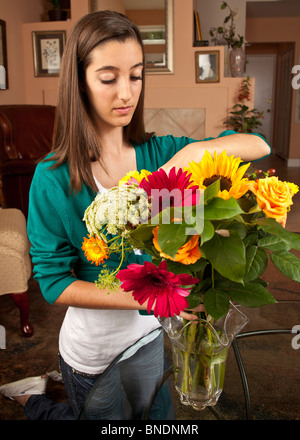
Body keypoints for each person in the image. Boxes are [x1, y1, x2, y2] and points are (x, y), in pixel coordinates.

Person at [0, 10, 270, 420]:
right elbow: (55, 284)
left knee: (155, 419)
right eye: (108, 78)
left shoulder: (160, 154)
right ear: (80, 82)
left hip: (149, 342)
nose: (126, 93)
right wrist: (156, 301)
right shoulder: (53, 178)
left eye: (136, 75)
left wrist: (193, 154)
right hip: (91, 356)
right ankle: (33, 400)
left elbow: (259, 145)